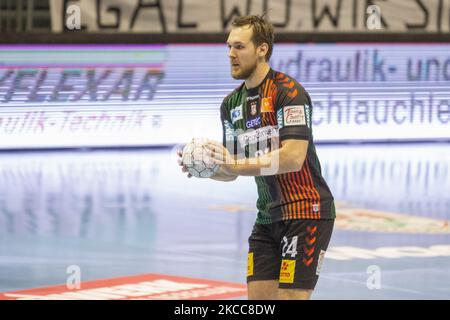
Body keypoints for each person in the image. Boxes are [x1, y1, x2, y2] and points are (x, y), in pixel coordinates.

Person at [178, 14, 335, 300]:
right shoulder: (231, 105)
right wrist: (208, 168)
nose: (231, 55)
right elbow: (233, 169)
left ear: (262, 49)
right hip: (266, 217)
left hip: (305, 212)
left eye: (239, 47)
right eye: (228, 47)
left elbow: (293, 158)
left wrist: (233, 163)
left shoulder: (289, 93)